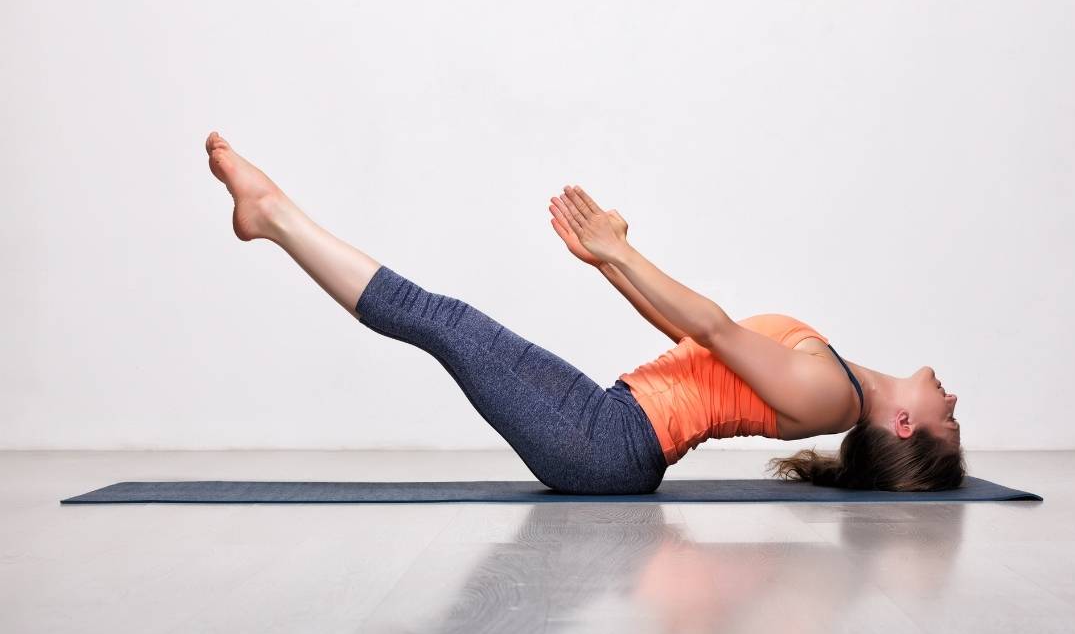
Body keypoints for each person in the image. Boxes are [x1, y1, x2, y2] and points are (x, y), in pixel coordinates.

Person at [204, 131, 964, 495]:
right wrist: (611, 262)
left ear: (905, 426)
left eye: (948, 418)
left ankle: (271, 215)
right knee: (447, 319)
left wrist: (624, 253)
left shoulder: (835, 395)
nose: (953, 400)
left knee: (441, 319)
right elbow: (694, 343)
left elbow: (715, 328)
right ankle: (270, 217)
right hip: (608, 423)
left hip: (608, 445)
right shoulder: (834, 376)